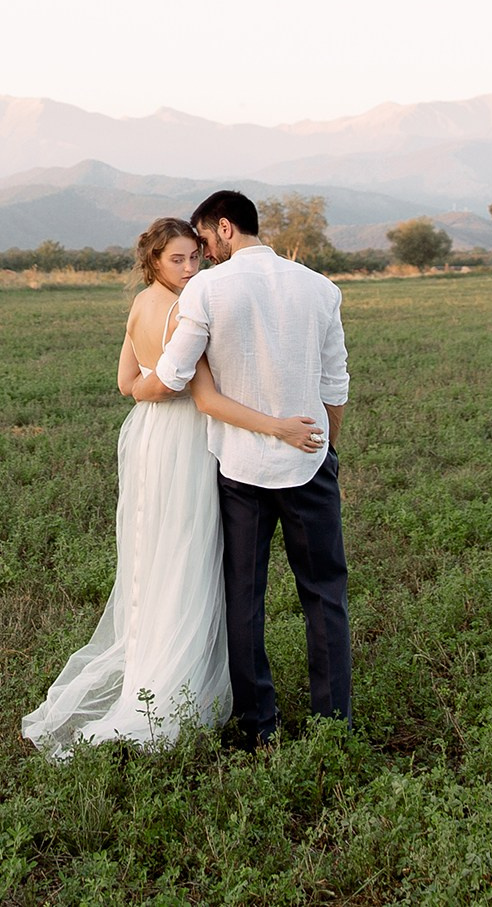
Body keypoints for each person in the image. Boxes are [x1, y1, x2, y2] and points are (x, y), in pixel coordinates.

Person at [21, 216, 324, 755]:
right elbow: (205, 399)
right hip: (185, 440)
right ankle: (177, 683)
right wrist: (279, 427)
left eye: (194, 257)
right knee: (188, 557)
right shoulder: (188, 308)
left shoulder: (140, 303)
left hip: (147, 438)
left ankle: (154, 666)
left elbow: (127, 384)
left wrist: (152, 389)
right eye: (177, 259)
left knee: (155, 556)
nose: (189, 268)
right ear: (154, 261)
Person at [148, 189, 351, 746]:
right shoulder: (321, 287)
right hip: (310, 460)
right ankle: (334, 725)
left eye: (205, 240)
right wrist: (327, 448)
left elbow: (174, 373)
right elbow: (335, 382)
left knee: (244, 598)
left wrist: (136, 384)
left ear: (225, 227)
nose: (204, 254)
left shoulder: (207, 289)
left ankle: (260, 725)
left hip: (240, 468)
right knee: (325, 594)